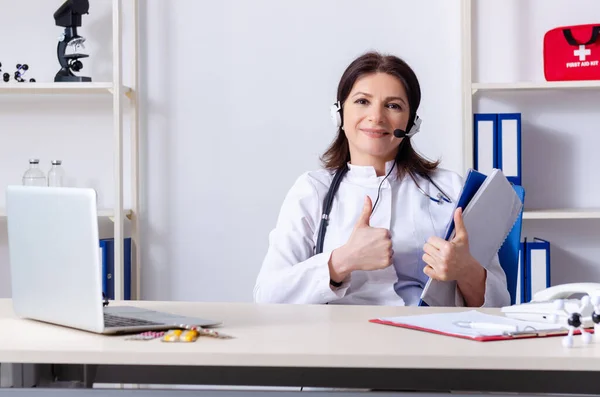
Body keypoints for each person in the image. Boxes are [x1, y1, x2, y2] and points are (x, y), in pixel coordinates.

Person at [253, 51, 510, 307]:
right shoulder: (312, 190)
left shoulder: (452, 189)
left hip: (429, 340)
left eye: (393, 105)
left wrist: (466, 271)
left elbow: (500, 305)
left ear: (411, 123)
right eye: (362, 101)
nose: (376, 117)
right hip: (341, 341)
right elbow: (268, 296)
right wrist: (341, 261)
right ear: (339, 114)